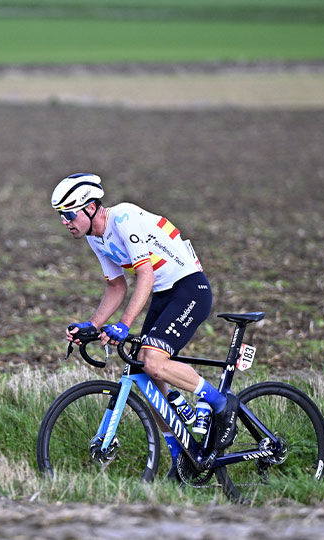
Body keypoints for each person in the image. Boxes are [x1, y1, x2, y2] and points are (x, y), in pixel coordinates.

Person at [51, 173, 238, 474]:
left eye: (68, 214)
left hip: (189, 288)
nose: (64, 222)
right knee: (144, 371)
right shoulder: (95, 237)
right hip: (164, 294)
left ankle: (219, 403)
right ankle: (182, 457)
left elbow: (146, 276)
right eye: (61, 216)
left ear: (89, 208)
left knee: (152, 360)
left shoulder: (123, 218)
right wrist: (92, 325)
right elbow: (116, 287)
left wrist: (124, 325)